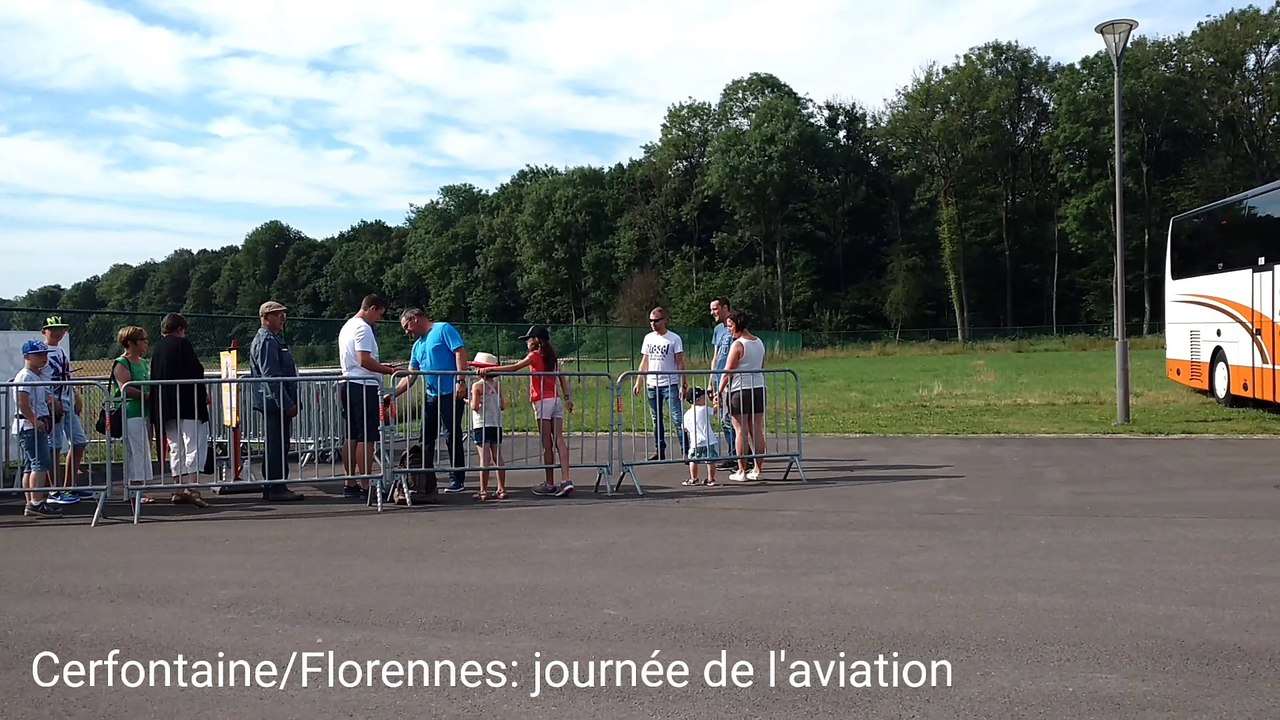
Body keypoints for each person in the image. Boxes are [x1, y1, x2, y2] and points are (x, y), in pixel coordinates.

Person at [478, 326, 576, 497]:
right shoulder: (553, 357)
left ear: (536, 340)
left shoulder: (535, 355)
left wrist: (491, 370)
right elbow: (562, 378)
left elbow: (515, 367)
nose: (527, 342)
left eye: (529, 339)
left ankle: (550, 482)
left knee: (547, 443)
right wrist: (567, 397)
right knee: (559, 439)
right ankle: (566, 479)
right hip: (556, 400)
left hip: (542, 401)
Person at [388, 307, 469, 494]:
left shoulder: (443, 329)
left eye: (406, 326)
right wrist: (393, 393)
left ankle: (457, 477)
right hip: (431, 395)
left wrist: (461, 381)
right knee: (426, 437)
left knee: (451, 434)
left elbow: (459, 352)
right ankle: (424, 477)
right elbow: (411, 374)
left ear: (415, 319)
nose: (406, 331)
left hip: (450, 392)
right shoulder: (417, 345)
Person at [337, 294, 399, 499]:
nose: (378, 320)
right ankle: (366, 484)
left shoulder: (347, 326)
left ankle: (350, 481)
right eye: (378, 315)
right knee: (367, 437)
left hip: (348, 383)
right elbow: (364, 360)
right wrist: (387, 370)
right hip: (364, 384)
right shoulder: (363, 328)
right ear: (372, 308)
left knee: (352, 435)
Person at [146, 313, 211, 508]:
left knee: (175, 446)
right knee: (193, 444)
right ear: (180, 329)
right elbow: (195, 372)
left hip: (166, 406)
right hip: (188, 403)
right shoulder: (183, 345)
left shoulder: (158, 349)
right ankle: (191, 487)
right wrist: (203, 394)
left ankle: (177, 487)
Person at [250, 301, 304, 502]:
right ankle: (275, 486)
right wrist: (287, 403)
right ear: (266, 318)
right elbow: (271, 377)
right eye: (278, 315)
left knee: (279, 444)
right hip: (274, 403)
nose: (283, 318)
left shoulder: (273, 339)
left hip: (276, 401)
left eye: (283, 314)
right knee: (276, 445)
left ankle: (276, 484)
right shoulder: (266, 340)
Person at [39, 316, 89, 505]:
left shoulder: (60, 350)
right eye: (53, 330)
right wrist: (51, 400)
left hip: (67, 401)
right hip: (53, 404)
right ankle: (55, 489)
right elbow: (41, 381)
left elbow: (65, 376)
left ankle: (70, 485)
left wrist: (75, 395)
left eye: (61, 330)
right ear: (45, 331)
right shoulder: (43, 352)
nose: (58, 333)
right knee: (54, 446)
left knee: (79, 441)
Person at [714, 311, 767, 482]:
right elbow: (762, 365)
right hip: (758, 387)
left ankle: (742, 471)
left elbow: (728, 371)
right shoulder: (759, 342)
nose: (729, 330)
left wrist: (719, 391)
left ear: (737, 325)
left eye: (730, 326)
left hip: (740, 390)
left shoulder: (738, 344)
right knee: (757, 429)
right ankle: (758, 470)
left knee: (740, 430)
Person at [12, 340, 62, 518]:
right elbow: (22, 401)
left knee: (31, 465)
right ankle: (36, 502)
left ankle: (31, 501)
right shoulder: (25, 376)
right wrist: (34, 420)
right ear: (27, 357)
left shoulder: (36, 376)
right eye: (39, 355)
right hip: (29, 425)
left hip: (32, 424)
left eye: (45, 355)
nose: (44, 358)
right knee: (40, 462)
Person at [632, 307, 688, 460]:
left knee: (677, 418)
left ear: (664, 320)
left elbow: (680, 362)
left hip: (670, 384)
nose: (653, 324)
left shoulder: (674, 338)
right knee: (656, 419)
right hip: (652, 384)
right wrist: (639, 381)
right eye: (651, 321)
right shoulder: (648, 338)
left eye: (656, 320)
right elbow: (645, 361)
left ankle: (686, 450)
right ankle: (660, 450)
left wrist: (684, 383)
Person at [110, 326, 155, 491]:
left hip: (146, 411)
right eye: (142, 340)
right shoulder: (122, 363)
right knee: (137, 449)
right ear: (131, 342)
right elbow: (126, 387)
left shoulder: (143, 362)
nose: (146, 343)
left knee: (145, 448)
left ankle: (140, 486)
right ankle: (136, 487)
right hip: (131, 411)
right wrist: (149, 396)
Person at [467, 351, 507, 501]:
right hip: (496, 424)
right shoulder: (497, 385)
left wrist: (469, 402)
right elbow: (503, 405)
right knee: (498, 457)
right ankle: (501, 489)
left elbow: (475, 406)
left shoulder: (477, 386)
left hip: (482, 424)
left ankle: (483, 491)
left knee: (484, 459)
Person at [708, 297, 740, 471]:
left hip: (731, 381)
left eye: (715, 308)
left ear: (725, 308)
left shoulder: (735, 326)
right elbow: (716, 356)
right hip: (719, 379)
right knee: (725, 420)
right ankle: (734, 454)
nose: (712, 312)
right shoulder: (718, 330)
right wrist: (711, 382)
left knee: (730, 419)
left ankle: (739, 455)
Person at [681, 386, 720, 487]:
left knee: (693, 460)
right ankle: (711, 479)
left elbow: (684, 428)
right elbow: (715, 411)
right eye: (704, 396)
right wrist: (717, 403)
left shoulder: (687, 414)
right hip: (708, 440)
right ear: (697, 399)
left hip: (695, 441)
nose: (706, 397)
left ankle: (694, 478)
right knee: (710, 460)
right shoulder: (704, 409)